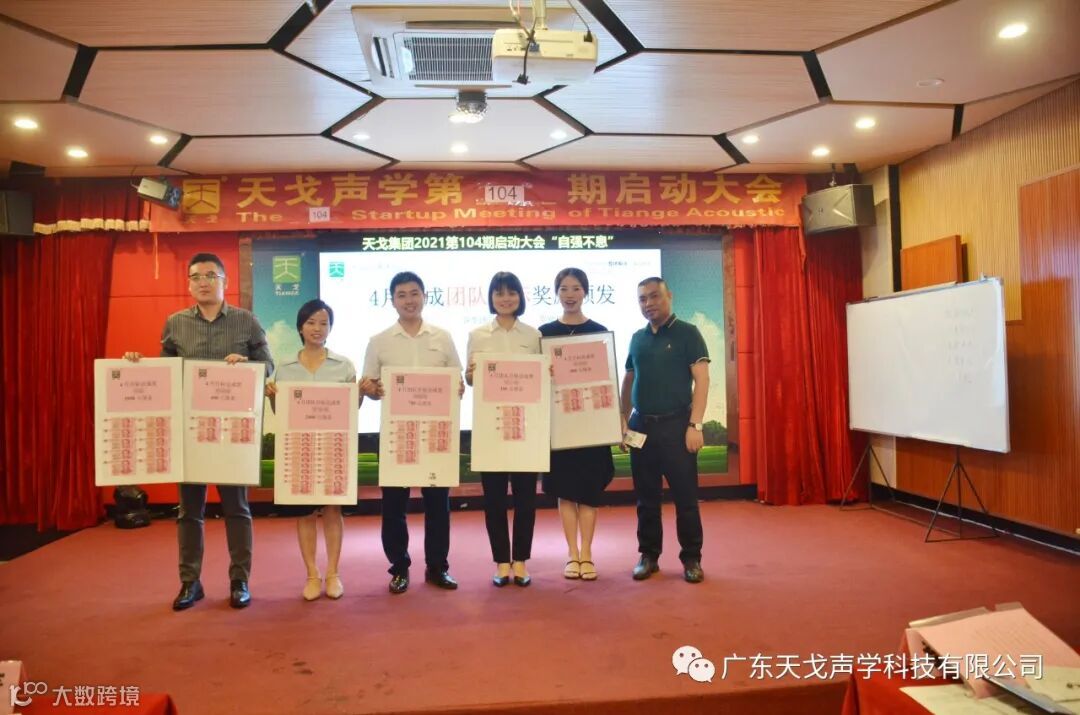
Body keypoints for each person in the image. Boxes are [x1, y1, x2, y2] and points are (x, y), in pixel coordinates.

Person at [123, 252, 273, 610]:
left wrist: (247, 365)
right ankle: (190, 582)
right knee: (189, 511)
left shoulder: (246, 321)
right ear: (189, 284)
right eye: (195, 277)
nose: (203, 282)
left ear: (225, 281)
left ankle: (239, 581)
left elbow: (268, 364)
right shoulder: (176, 323)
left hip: (232, 431)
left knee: (237, 509)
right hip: (190, 430)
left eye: (210, 275)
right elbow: (164, 372)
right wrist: (137, 366)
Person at [360, 272, 464, 594]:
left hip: (435, 436)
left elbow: (456, 382)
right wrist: (370, 389)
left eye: (414, 293)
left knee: (438, 505)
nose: (409, 300)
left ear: (425, 296)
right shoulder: (379, 341)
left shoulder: (443, 337)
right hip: (397, 437)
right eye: (402, 295)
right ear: (392, 300)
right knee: (394, 506)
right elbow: (370, 385)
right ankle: (399, 568)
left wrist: (457, 388)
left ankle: (437, 567)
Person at [266, 299, 361, 602]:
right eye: (311, 322)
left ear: (330, 328)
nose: (317, 329)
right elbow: (280, 411)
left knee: (333, 509)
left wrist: (359, 393)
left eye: (323, 323)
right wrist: (271, 396)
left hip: (334, 446)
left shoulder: (344, 365)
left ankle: (333, 573)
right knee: (305, 512)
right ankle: (311, 574)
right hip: (299, 448)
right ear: (300, 327)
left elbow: (353, 409)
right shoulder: (285, 367)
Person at [620, 277, 709, 584]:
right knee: (646, 499)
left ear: (669, 295)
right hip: (640, 427)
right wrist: (622, 419)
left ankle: (692, 558)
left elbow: (702, 380)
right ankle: (648, 555)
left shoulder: (688, 333)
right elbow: (629, 380)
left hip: (677, 426)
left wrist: (695, 424)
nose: (649, 304)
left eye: (654, 296)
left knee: (686, 499)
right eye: (642, 299)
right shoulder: (637, 338)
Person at [465, 272, 542, 588]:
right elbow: (471, 379)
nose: (506, 298)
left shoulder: (533, 335)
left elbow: (540, 378)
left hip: (526, 427)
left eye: (511, 293)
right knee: (494, 499)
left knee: (526, 498)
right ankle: (501, 561)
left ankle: (520, 560)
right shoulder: (478, 335)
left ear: (520, 297)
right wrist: (471, 374)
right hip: (491, 428)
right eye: (499, 293)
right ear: (491, 298)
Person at [538, 268, 615, 582]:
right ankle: (572, 553)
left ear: (586, 292)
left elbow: (607, 380)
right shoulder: (544, 334)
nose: (570, 295)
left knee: (589, 492)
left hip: (592, 426)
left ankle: (588, 553)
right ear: (556, 292)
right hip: (560, 426)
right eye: (564, 288)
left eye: (576, 288)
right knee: (566, 492)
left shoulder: (599, 332)